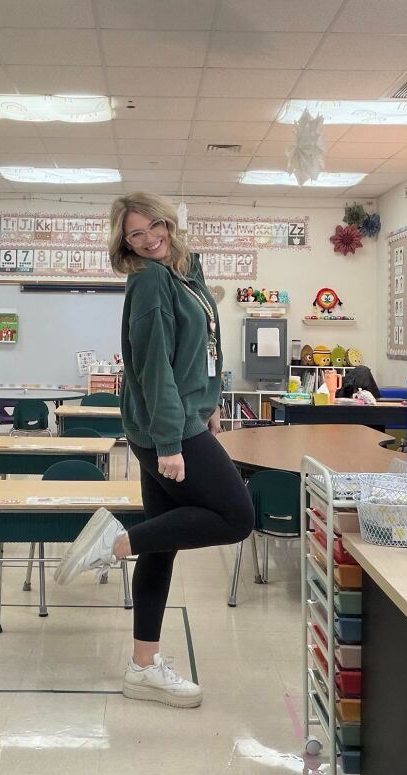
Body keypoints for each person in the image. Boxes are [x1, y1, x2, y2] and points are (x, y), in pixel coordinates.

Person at [54, 191, 254, 709]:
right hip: (168, 428)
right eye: (135, 236)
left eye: (153, 227)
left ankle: (143, 668)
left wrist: (212, 399)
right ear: (125, 243)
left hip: (186, 417)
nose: (148, 240)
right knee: (236, 516)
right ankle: (116, 544)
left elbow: (206, 345)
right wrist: (170, 441)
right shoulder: (148, 281)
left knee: (161, 546)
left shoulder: (187, 269)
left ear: (168, 221)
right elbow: (152, 366)